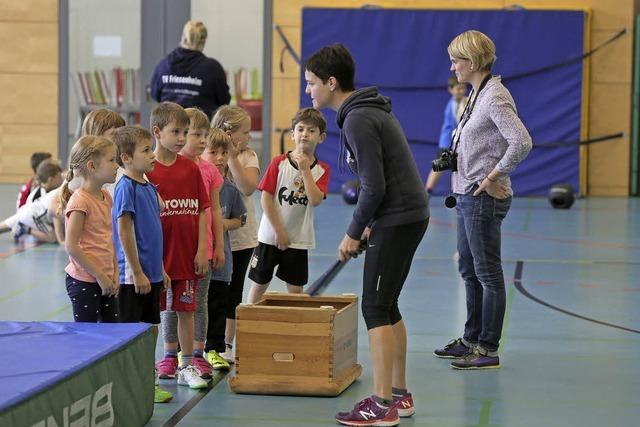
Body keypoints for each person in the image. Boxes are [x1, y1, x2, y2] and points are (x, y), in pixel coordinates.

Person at [304, 43, 429, 426]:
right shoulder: (362, 112)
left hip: (399, 217)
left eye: (312, 83)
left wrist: (353, 231)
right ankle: (399, 396)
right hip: (403, 215)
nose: (309, 90)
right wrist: (370, 223)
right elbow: (384, 180)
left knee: (375, 307)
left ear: (331, 81)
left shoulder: (358, 118)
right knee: (387, 305)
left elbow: (373, 186)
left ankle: (380, 404)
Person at [433, 30, 532, 370]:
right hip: (464, 194)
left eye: (456, 60)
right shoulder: (476, 94)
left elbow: (521, 141)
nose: (451, 66)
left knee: (487, 272)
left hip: (482, 198)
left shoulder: (494, 97)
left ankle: (487, 348)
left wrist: (492, 177)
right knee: (468, 268)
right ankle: (470, 338)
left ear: (472, 62)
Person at [147, 102, 210, 390]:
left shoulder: (190, 169)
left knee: (186, 311)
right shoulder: (147, 171)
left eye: (185, 132)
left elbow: (201, 209)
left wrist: (200, 250)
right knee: (156, 315)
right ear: (157, 132)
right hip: (157, 261)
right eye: (176, 132)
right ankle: (159, 362)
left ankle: (187, 365)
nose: (182, 138)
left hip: (186, 256)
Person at [110, 125, 173, 404]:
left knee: (151, 328)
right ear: (126, 158)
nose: (152, 155)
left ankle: (147, 381)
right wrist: (136, 271)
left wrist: (161, 268)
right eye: (146, 150)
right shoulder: (126, 187)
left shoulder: (148, 185)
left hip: (152, 272)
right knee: (131, 333)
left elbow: (153, 232)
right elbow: (125, 231)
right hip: (133, 277)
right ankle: (128, 384)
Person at [247, 108, 330, 303]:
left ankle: (295, 330)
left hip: (298, 238)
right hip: (270, 237)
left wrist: (305, 171)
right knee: (259, 283)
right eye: (300, 129)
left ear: (321, 137)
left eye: (311, 130)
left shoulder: (321, 170)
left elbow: (315, 200)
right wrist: (279, 231)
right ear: (292, 134)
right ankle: (248, 324)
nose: (305, 134)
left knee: (296, 290)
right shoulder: (278, 163)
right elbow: (265, 199)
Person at [169, 107, 225, 379]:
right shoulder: (166, 168)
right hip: (172, 252)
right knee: (171, 304)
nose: (203, 141)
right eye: (196, 134)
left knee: (197, 303)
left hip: (202, 250)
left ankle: (197, 354)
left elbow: (213, 210)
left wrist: (217, 247)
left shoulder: (209, 170)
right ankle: (171, 354)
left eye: (205, 135)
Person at [210, 105, 259, 363]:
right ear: (229, 132)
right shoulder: (209, 155)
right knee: (212, 292)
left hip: (241, 236)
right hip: (212, 236)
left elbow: (247, 187)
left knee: (233, 291)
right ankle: (208, 341)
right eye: (245, 132)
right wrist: (223, 151)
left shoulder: (248, 156)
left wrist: (231, 156)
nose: (249, 137)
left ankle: (227, 343)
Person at [59, 136, 120, 323]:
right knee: (88, 336)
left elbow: (109, 239)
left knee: (112, 333)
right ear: (92, 166)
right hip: (84, 281)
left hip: (107, 279)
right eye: (111, 160)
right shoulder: (80, 201)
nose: (117, 165)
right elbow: (72, 246)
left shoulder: (106, 196)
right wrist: (100, 275)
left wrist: (115, 272)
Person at [201, 128, 247, 369]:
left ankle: (215, 348)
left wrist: (220, 224)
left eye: (223, 153)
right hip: (198, 260)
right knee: (196, 306)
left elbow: (240, 219)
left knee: (218, 304)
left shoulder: (229, 189)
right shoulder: (195, 184)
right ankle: (186, 351)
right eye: (213, 152)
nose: (219, 158)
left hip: (221, 260)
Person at [150, 21, 231, 119]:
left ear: (183, 38)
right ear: (204, 41)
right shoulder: (212, 69)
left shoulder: (163, 66)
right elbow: (224, 101)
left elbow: (154, 94)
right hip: (199, 131)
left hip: (169, 128)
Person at [0, 162, 63, 243]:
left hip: (27, 215)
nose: (61, 181)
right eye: (59, 178)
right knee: (52, 238)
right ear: (50, 180)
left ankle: (22, 227)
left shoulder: (49, 191)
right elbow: (34, 213)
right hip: (28, 216)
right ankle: (24, 228)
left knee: (5, 226)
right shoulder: (39, 193)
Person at [425, 75, 467, 194]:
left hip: (457, 142)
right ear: (451, 89)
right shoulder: (452, 105)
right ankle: (427, 191)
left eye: (463, 88)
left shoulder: (465, 101)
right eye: (458, 88)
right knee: (440, 166)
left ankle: (457, 192)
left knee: (458, 168)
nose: (461, 91)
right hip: (447, 142)